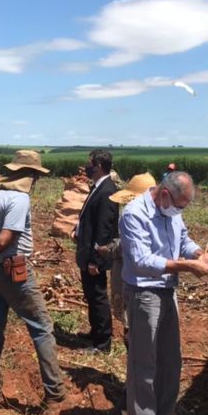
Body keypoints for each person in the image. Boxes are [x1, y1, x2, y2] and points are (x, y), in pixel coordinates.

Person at [119, 171, 208, 415]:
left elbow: (183, 239)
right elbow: (142, 261)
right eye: (179, 205)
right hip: (144, 294)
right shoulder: (133, 214)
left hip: (167, 291)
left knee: (170, 361)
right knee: (144, 365)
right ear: (163, 194)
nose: (179, 211)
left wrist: (199, 253)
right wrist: (186, 266)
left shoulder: (171, 211)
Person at [0, 150, 67, 407]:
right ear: (32, 175)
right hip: (14, 269)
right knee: (42, 327)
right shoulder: (19, 199)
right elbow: (4, 239)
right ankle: (55, 392)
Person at [95, 172, 157, 348]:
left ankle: (135, 369)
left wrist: (106, 250)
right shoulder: (159, 216)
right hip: (150, 281)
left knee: (132, 327)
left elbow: (126, 247)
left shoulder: (137, 216)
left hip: (131, 279)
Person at [73, 149, 119, 353]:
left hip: (95, 257)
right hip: (88, 252)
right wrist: (78, 230)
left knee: (98, 297)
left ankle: (103, 343)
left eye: (89, 163)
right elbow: (90, 219)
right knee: (91, 295)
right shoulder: (99, 187)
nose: (87, 166)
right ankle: (95, 332)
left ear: (99, 166)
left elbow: (105, 229)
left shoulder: (108, 190)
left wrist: (96, 260)